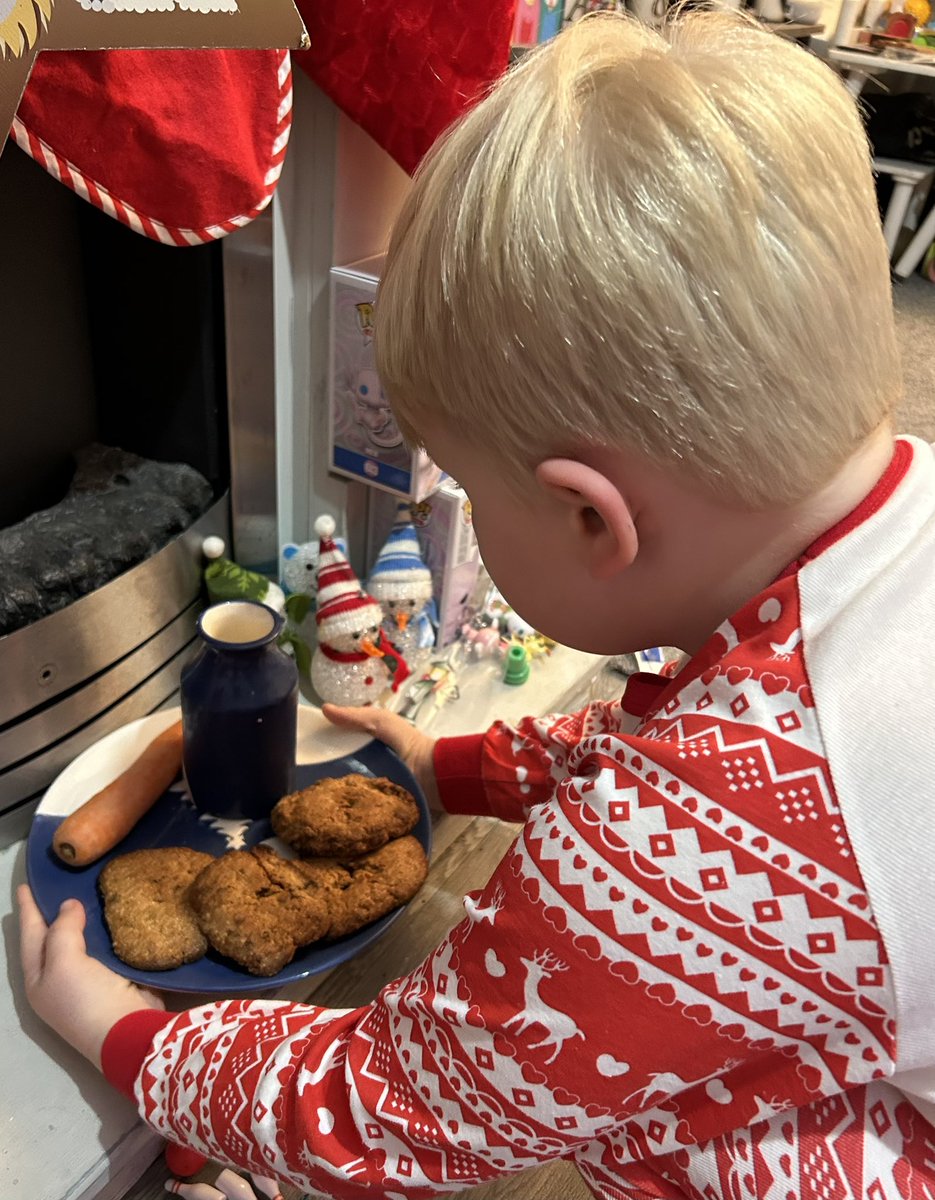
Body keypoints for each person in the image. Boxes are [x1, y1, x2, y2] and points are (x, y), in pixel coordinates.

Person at [18, 10, 935, 1199]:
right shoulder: (883, 522)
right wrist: (463, 770)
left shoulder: (669, 863)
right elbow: (709, 751)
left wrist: (116, 1030)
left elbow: (389, 1116)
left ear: (590, 518)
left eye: (466, 490)